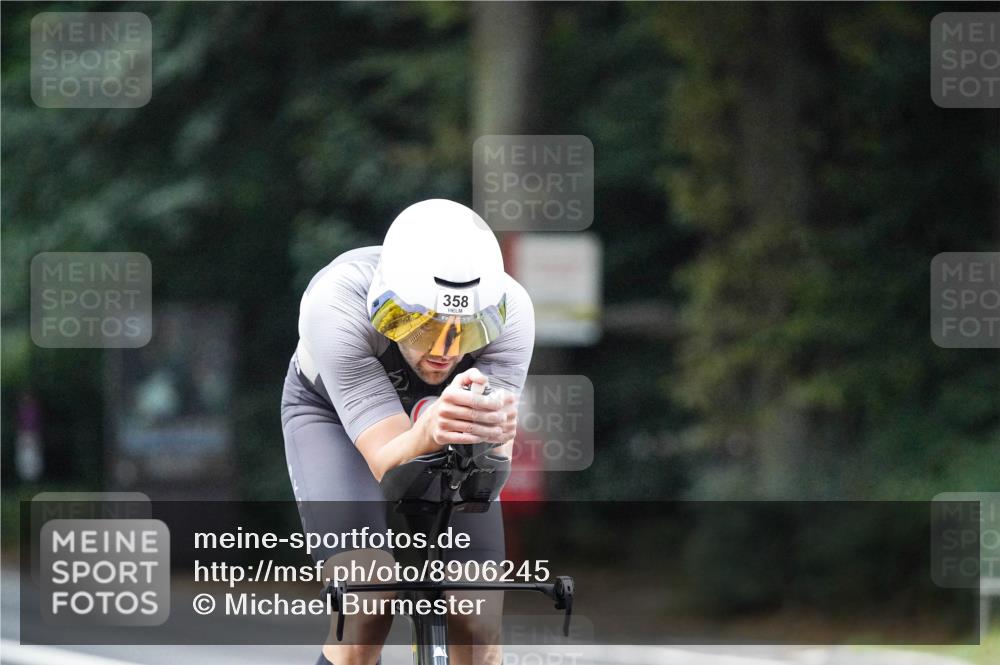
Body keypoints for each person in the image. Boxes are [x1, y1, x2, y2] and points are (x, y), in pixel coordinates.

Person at [281, 199, 535, 665]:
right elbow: (387, 460)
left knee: (477, 622)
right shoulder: (335, 304)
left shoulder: (512, 310)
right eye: (426, 325)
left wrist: (493, 440)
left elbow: (485, 475)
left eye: (468, 331)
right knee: (368, 602)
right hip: (332, 417)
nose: (445, 350)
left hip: (443, 425)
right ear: (389, 310)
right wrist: (429, 429)